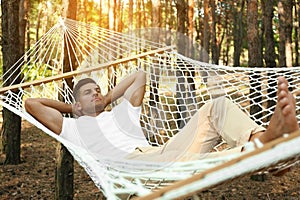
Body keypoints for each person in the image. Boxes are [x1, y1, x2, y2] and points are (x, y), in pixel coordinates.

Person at [25, 71, 299, 162]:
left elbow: (139, 77)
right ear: (77, 104)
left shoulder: (122, 114)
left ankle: (261, 138)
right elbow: (31, 103)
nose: (95, 93)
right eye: (88, 93)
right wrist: (74, 109)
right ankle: (260, 150)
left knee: (218, 107)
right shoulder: (76, 127)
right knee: (194, 164)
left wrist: (106, 99)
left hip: (159, 155)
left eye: (97, 89)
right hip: (130, 168)